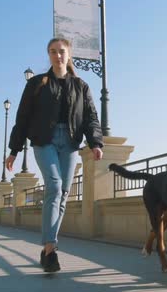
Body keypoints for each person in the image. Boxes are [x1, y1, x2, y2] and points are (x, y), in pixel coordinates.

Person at [6, 37, 104, 273]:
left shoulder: (81, 86)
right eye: (52, 52)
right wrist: (14, 150)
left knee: (63, 195)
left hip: (70, 142)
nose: (57, 56)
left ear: (69, 54)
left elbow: (90, 117)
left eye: (61, 51)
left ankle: (48, 250)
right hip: (44, 141)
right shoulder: (38, 84)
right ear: (48, 55)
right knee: (54, 185)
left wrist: (95, 142)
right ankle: (50, 249)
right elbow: (23, 117)